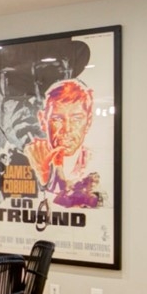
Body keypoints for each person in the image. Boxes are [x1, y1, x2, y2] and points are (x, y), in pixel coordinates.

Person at [26, 79, 103, 208]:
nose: (67, 129)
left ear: (88, 122)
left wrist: (43, 175)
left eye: (77, 119)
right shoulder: (26, 158)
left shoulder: (97, 163)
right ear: (43, 121)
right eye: (57, 119)